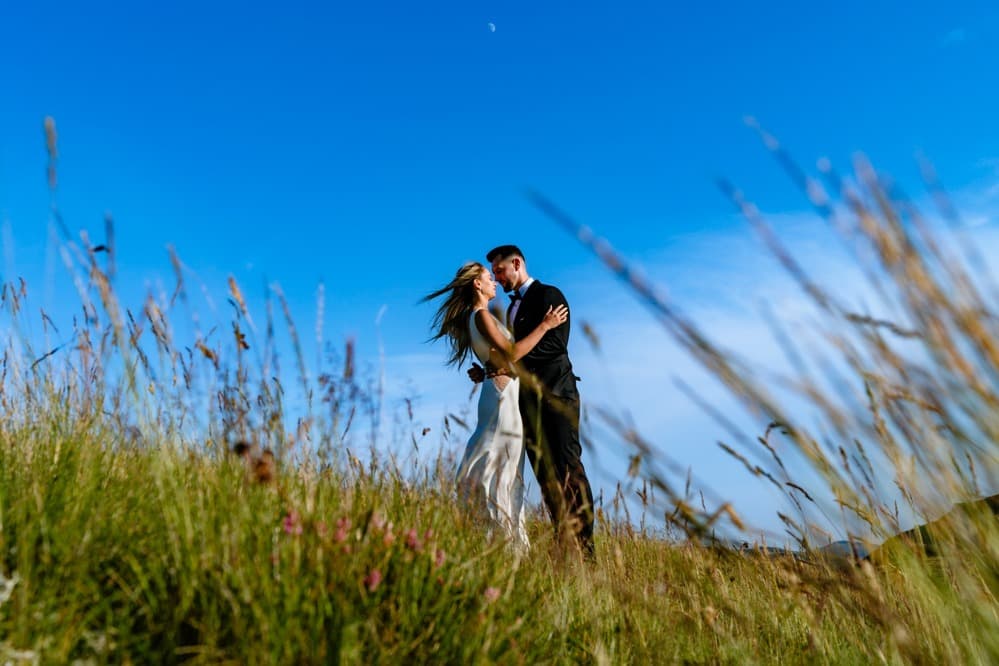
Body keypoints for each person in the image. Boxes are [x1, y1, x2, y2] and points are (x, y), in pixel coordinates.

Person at [423, 261, 568, 550]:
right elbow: (512, 353)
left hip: (500, 393)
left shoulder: (476, 317)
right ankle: (502, 541)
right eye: (489, 277)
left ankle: (500, 538)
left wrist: (485, 369)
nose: (494, 282)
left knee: (503, 463)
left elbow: (496, 358)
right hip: (503, 399)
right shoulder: (481, 316)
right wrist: (545, 325)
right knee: (501, 464)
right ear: (477, 284)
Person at [475, 245, 596, 561]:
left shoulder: (549, 295)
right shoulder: (511, 309)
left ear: (516, 263)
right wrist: (491, 367)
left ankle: (587, 551)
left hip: (557, 395)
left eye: (500, 271)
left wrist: (508, 363)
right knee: (545, 477)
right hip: (527, 403)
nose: (498, 278)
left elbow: (554, 346)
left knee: (569, 469)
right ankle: (564, 544)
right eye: (493, 274)